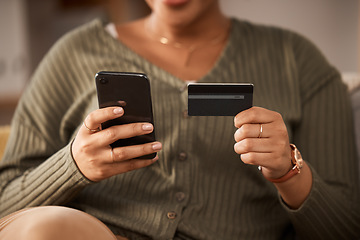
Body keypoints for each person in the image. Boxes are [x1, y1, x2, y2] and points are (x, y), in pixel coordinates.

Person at [0, 0, 359, 239]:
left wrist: (288, 172)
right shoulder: (72, 54)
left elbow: (346, 227)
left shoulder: (297, 60)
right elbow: (5, 204)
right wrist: (72, 165)